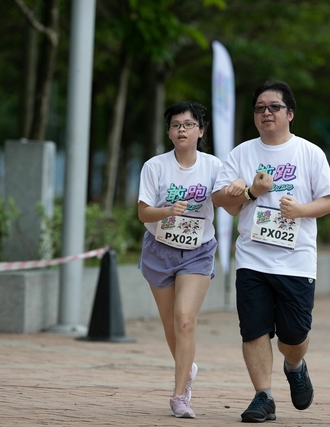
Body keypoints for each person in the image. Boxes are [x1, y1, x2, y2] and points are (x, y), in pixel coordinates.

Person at [212, 81, 330, 423]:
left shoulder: (310, 153)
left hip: (296, 260)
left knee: (293, 335)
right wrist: (250, 192)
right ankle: (263, 396)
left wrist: (300, 210)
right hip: (252, 258)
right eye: (259, 108)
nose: (266, 112)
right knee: (253, 329)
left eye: (274, 107)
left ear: (290, 114)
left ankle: (295, 365)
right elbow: (222, 202)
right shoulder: (241, 154)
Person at [137, 101, 225, 419]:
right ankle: (188, 368)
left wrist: (243, 189)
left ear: (201, 131)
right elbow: (143, 212)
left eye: (188, 124)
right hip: (159, 250)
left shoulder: (214, 166)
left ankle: (179, 396)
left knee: (185, 319)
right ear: (169, 132)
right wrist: (167, 211)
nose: (181, 130)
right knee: (171, 326)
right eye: (175, 125)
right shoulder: (155, 167)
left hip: (198, 251)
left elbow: (226, 198)